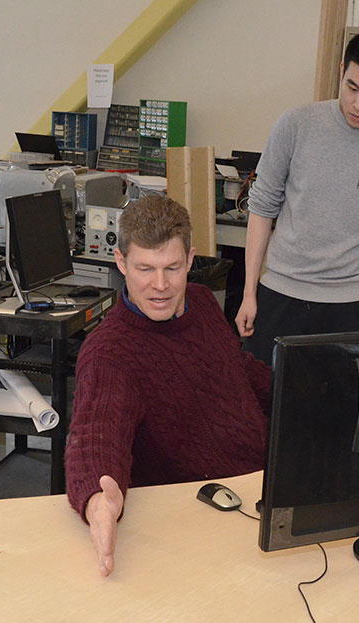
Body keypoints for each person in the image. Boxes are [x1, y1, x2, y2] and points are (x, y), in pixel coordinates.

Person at [65, 196, 271, 577]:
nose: (160, 286)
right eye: (145, 268)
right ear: (121, 262)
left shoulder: (203, 302)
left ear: (191, 260)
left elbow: (235, 369)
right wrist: (99, 500)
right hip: (198, 520)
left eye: (172, 268)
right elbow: (96, 433)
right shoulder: (110, 352)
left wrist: (305, 387)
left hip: (260, 485)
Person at [236, 25, 359, 364]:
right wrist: (249, 292)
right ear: (342, 71)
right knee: (260, 407)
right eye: (352, 87)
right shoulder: (296, 125)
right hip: (279, 298)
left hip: (350, 311)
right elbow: (262, 208)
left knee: (335, 415)